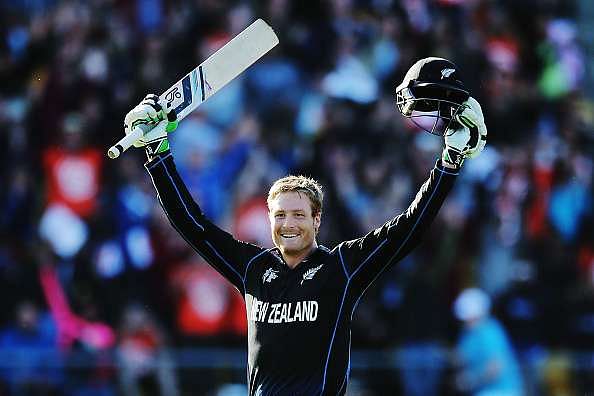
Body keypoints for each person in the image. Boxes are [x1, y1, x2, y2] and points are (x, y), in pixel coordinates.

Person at [122, 57, 487, 395]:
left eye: (298, 214)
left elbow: (409, 228)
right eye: (280, 215)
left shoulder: (341, 267)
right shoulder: (254, 267)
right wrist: (157, 152)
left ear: (317, 219)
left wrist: (448, 163)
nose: (288, 224)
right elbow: (191, 225)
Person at [453, 288, 524, 396]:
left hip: (501, 391)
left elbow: (496, 367)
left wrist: (470, 380)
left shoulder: (489, 331)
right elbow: (461, 357)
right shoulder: (468, 334)